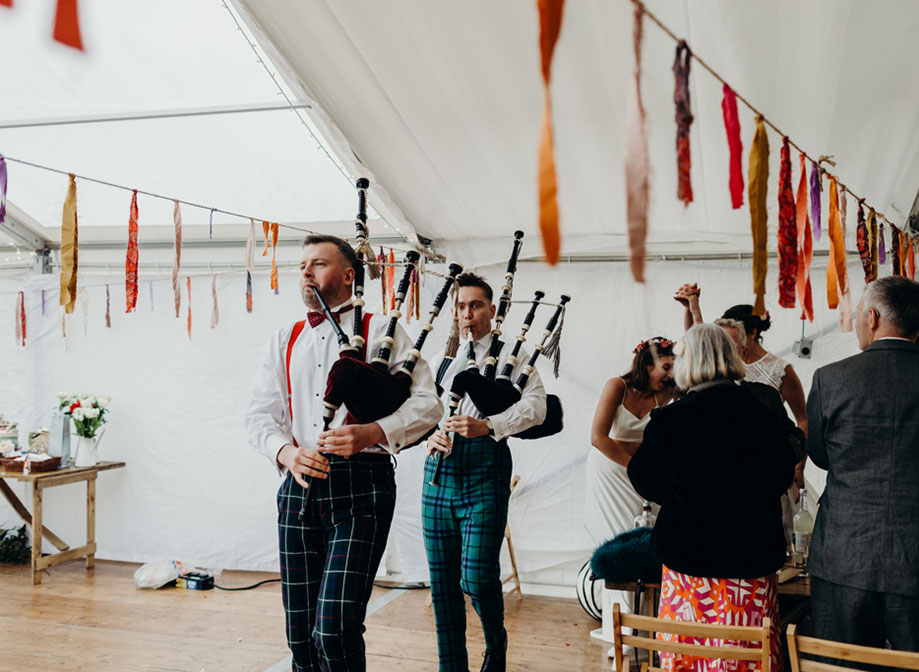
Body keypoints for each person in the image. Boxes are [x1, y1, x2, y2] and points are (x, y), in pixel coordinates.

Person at [245, 235, 443, 672]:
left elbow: (429, 404)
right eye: (302, 265)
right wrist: (286, 454)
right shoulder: (285, 338)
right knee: (299, 634)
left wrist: (373, 432)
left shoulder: (382, 332)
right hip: (298, 489)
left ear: (349, 276)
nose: (306, 271)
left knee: (334, 629)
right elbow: (259, 415)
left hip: (362, 490)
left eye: (318, 263)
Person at [628, 324, 796, 672]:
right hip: (750, 564)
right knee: (748, 660)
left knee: (689, 660)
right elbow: (782, 475)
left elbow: (643, 478)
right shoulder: (763, 409)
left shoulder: (670, 418)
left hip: (690, 564)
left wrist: (680, 496)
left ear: (688, 362)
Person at [423, 272, 547, 672]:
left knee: (476, 578)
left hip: (485, 468)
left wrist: (490, 426)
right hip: (438, 471)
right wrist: (430, 436)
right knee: (442, 587)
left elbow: (537, 408)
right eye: (460, 306)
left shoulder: (514, 352)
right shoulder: (446, 354)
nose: (466, 314)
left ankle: (496, 641)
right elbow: (426, 411)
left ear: (493, 310)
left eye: (475, 305)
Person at [806, 275, 919, 650]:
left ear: (871, 317)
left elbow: (820, 456)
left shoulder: (831, 379)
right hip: (914, 559)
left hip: (844, 553)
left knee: (842, 664)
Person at [585, 337, 676, 650]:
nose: (669, 372)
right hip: (610, 474)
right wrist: (635, 467)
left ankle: (649, 631)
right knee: (619, 546)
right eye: (664, 366)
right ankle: (622, 636)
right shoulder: (617, 386)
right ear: (646, 364)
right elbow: (598, 437)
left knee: (651, 545)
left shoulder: (666, 392)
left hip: (646, 478)